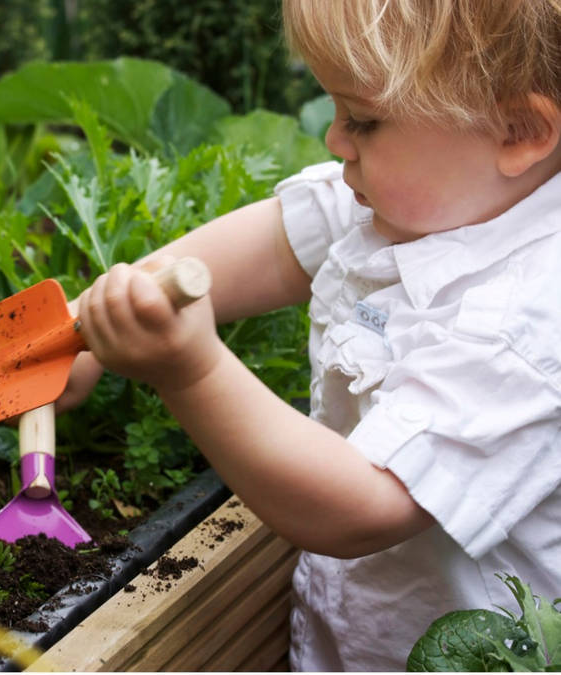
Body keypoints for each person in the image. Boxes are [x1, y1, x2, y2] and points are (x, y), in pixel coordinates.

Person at [54, 0, 561, 670]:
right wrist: (88, 323)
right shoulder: (415, 200)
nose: (334, 140)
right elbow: (275, 242)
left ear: (518, 130)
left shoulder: (527, 319)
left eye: (364, 119)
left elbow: (364, 503)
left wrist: (190, 370)